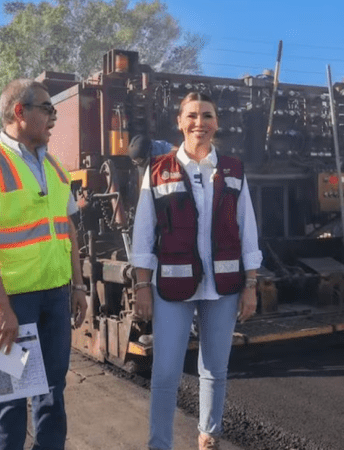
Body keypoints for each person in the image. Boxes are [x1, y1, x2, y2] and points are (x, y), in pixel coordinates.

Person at [0, 78, 87, 450]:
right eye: (47, 109)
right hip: (10, 300)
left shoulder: (57, 168)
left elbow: (68, 230)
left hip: (54, 295)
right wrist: (1, 309)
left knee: (52, 389)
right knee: (9, 395)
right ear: (20, 112)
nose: (53, 118)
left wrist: (77, 286)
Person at [131, 92, 262, 450]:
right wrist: (142, 284)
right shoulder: (158, 171)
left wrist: (251, 283)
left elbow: (245, 227)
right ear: (179, 121)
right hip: (172, 285)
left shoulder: (233, 170)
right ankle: (160, 443)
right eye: (192, 116)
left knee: (214, 369)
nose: (199, 123)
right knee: (166, 372)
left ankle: (208, 435)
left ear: (217, 123)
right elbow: (144, 230)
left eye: (207, 115)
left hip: (223, 286)